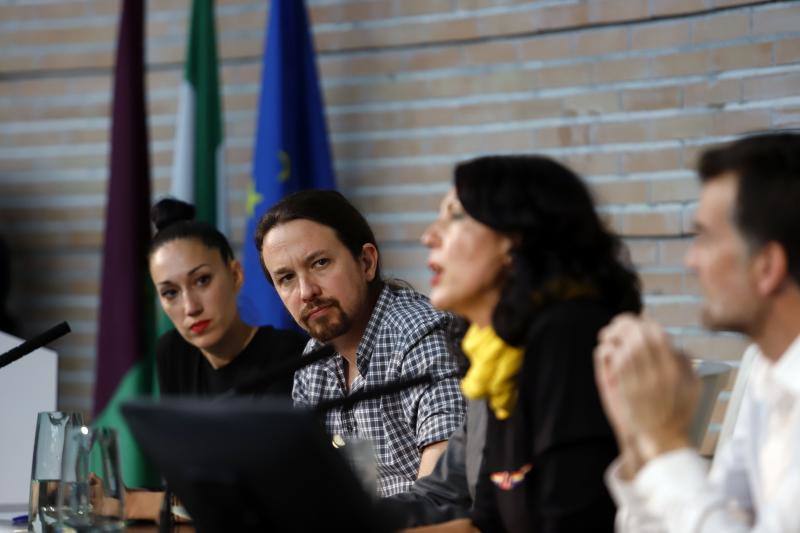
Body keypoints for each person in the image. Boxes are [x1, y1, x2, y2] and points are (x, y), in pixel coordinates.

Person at [416, 155, 642, 532]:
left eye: (456, 216)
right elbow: (487, 524)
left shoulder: (568, 336)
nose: (429, 236)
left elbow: (573, 523)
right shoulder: (500, 352)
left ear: (513, 239)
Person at [596, 132, 800, 532]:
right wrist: (640, 445)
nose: (691, 261)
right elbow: (722, 516)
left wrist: (665, 440)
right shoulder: (764, 366)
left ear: (767, 266)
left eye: (704, 237)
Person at [255, 190, 466, 497]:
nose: (306, 291)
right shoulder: (313, 361)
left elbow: (442, 495)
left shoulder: (420, 335)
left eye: (320, 263)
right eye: (286, 278)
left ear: (366, 262)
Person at [122, 198, 308, 520]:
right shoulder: (174, 353)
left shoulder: (289, 354)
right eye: (170, 293)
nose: (190, 306)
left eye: (202, 281)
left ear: (235, 275)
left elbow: (257, 496)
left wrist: (131, 504)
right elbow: (186, 482)